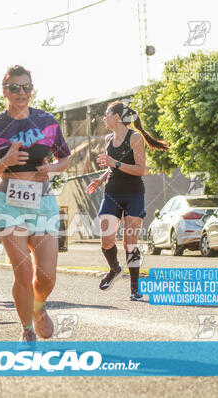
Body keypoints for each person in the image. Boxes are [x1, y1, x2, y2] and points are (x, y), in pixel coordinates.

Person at [0, 65, 71, 341]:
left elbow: (64, 159)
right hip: (8, 201)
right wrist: (4, 161)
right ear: (4, 91)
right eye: (15, 87)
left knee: (47, 275)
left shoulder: (46, 121)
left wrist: (51, 168)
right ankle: (26, 329)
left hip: (42, 200)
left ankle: (38, 308)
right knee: (23, 268)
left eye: (26, 87)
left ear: (32, 89)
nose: (21, 92)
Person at [85, 101, 168, 300]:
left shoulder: (135, 138)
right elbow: (112, 167)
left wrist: (116, 162)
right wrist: (101, 179)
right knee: (106, 240)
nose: (104, 118)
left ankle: (135, 289)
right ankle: (114, 269)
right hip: (112, 192)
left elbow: (140, 169)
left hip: (133, 194)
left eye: (107, 114)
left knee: (130, 242)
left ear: (117, 117)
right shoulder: (108, 138)